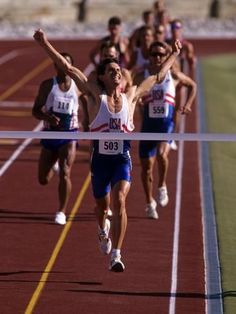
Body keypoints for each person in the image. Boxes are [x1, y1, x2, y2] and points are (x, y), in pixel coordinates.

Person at [33, 28, 181, 272]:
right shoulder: (94, 97)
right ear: (101, 77)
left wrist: (173, 54)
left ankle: (117, 254)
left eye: (119, 71)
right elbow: (68, 68)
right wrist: (45, 43)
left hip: (122, 158)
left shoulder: (131, 96)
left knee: (120, 199)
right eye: (112, 71)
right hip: (100, 161)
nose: (118, 74)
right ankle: (102, 231)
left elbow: (157, 76)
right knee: (101, 207)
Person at [133, 41, 196, 219]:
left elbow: (192, 85)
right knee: (146, 169)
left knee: (162, 155)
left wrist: (188, 104)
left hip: (166, 125)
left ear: (166, 56)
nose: (158, 58)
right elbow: (131, 93)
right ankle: (149, 202)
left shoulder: (172, 75)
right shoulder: (141, 77)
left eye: (161, 54)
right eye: (155, 54)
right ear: (149, 56)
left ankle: (161, 185)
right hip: (147, 127)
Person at [32, 52, 80, 226]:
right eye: (60, 64)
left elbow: (91, 102)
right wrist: (48, 117)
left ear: (71, 67)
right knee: (43, 179)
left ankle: (62, 211)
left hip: (70, 134)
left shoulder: (78, 86)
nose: (64, 67)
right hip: (51, 134)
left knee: (66, 172)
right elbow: (35, 110)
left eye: (67, 64)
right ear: (55, 66)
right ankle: (54, 165)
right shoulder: (47, 86)